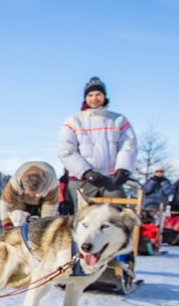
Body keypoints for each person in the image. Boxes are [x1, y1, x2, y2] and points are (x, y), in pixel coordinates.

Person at [57, 77, 138, 210]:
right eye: (90, 95)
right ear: (85, 98)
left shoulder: (119, 120)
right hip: (82, 180)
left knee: (117, 213)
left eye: (98, 94)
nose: (94, 98)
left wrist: (123, 169)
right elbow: (66, 151)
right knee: (83, 218)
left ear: (104, 96)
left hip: (111, 179)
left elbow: (128, 146)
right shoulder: (73, 120)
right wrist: (86, 172)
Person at [0, 160, 59, 228]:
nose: (32, 196)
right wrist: (6, 224)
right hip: (20, 200)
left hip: (42, 202)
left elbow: (49, 208)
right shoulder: (14, 184)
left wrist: (45, 226)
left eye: (35, 194)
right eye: (29, 193)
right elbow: (5, 203)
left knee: (42, 224)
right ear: (23, 187)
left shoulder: (52, 185)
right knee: (18, 218)